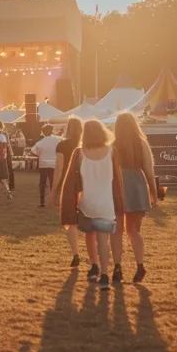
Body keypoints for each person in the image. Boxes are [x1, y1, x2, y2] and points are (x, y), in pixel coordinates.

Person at [57, 119, 124, 291]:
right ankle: (104, 274)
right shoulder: (111, 152)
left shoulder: (79, 153)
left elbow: (71, 180)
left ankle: (93, 264)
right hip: (106, 202)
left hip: (87, 203)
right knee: (104, 239)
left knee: (89, 236)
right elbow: (117, 179)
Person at [113, 112, 158, 284]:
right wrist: (153, 192)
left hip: (118, 185)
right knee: (134, 230)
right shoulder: (141, 143)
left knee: (116, 231)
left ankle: (117, 267)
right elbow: (149, 170)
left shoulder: (113, 145)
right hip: (137, 185)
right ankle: (140, 265)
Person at [50, 118, 84, 269]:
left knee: (71, 220)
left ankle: (76, 253)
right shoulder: (86, 145)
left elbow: (59, 168)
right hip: (86, 184)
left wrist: (53, 191)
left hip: (68, 184)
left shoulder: (62, 145)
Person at [31, 124, 62, 208]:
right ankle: (54, 200)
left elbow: (33, 151)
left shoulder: (40, 142)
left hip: (43, 164)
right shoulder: (57, 140)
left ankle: (42, 202)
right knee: (53, 183)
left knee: (42, 183)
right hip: (53, 164)